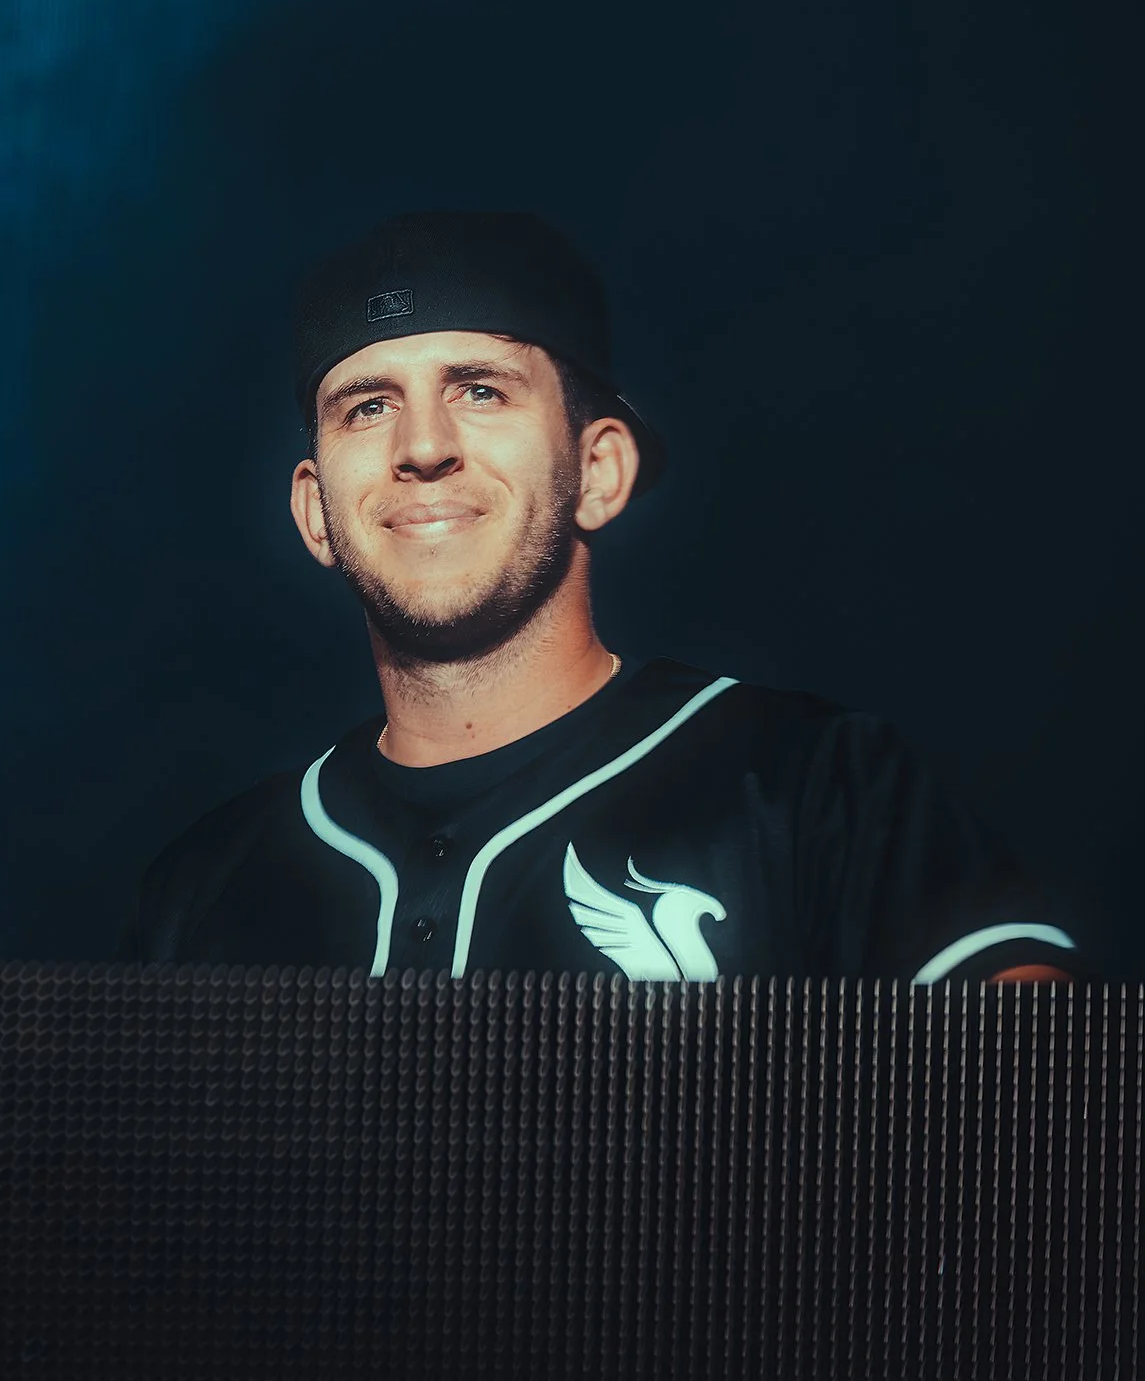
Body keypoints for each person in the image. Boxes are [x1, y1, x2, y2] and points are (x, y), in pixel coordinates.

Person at [126, 210, 1079, 985]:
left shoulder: (815, 789)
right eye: (368, 406)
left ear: (600, 470)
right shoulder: (205, 886)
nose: (422, 447)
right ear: (315, 511)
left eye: (481, 390)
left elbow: (1049, 1121)